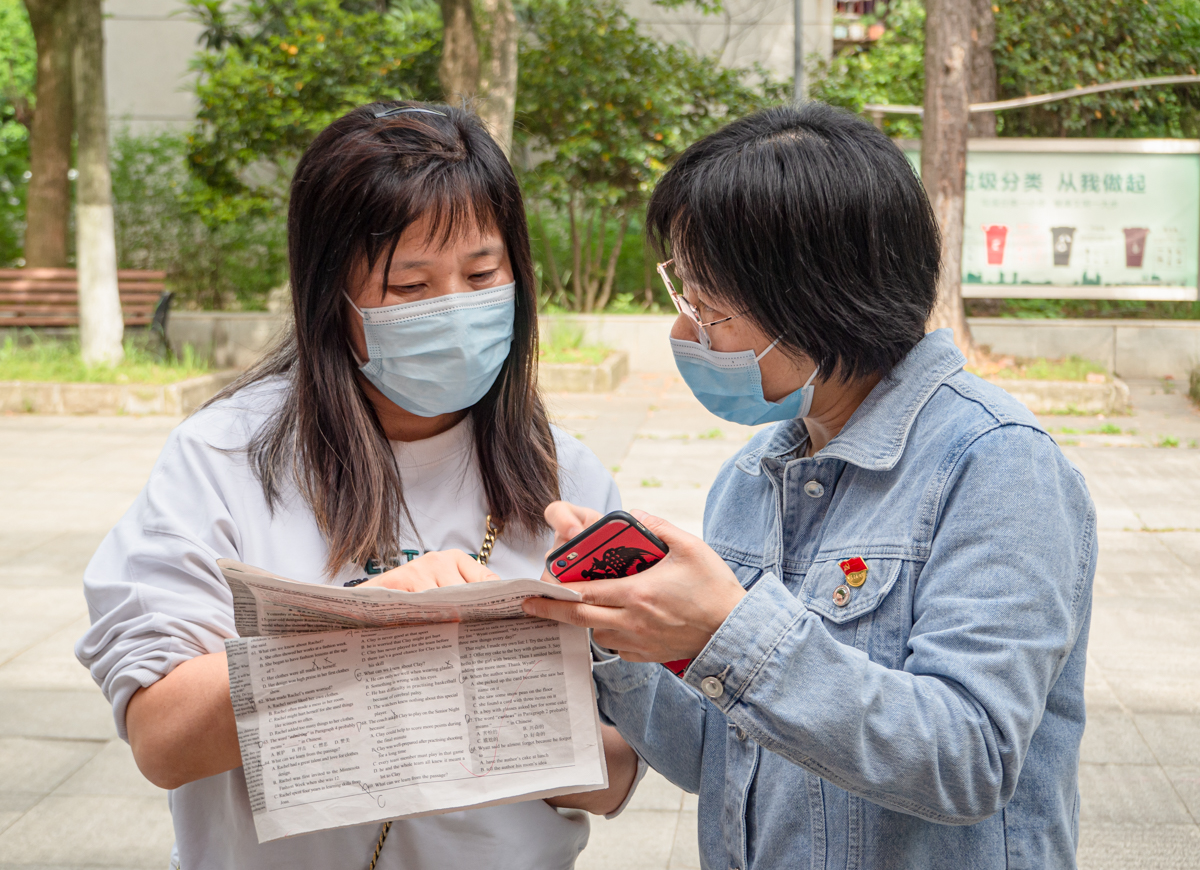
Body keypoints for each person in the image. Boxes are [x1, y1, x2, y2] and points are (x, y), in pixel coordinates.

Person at [525, 103, 1097, 869]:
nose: (685, 332)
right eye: (684, 297)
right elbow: (717, 757)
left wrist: (728, 633)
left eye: (707, 306)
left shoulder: (995, 464)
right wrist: (617, 633)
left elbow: (971, 758)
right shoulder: (752, 476)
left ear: (816, 303)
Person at [75, 102, 639, 870]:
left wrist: (513, 719)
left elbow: (619, 772)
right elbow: (163, 740)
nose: (456, 308)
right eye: (411, 285)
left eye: (482, 274)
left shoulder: (564, 476)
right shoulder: (224, 459)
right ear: (327, 297)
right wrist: (371, 626)